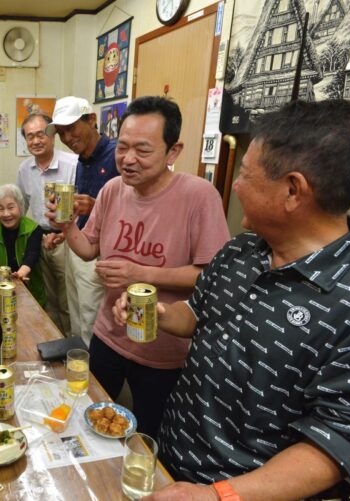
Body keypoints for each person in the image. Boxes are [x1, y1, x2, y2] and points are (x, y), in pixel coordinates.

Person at [114, 99, 350, 501]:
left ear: (292, 190)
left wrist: (219, 495)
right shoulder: (241, 250)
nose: (234, 185)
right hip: (172, 463)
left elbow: (339, 442)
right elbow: (196, 315)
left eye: (245, 174)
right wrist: (159, 315)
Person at [48, 96, 229, 438]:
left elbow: (211, 277)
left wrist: (139, 273)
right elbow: (88, 250)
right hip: (108, 335)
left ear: (173, 152)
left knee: (148, 435)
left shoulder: (200, 197)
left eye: (142, 150)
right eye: (123, 147)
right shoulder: (113, 190)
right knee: (91, 417)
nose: (128, 160)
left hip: (164, 348)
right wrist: (67, 226)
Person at [47, 96, 119, 345]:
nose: (66, 138)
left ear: (91, 120)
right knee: (76, 312)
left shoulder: (116, 155)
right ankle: (79, 366)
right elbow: (83, 213)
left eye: (71, 128)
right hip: (77, 246)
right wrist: (64, 231)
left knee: (91, 318)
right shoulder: (82, 161)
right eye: (61, 133)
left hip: (99, 254)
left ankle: (93, 377)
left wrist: (97, 205)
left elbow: (137, 210)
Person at [16, 112, 77, 334]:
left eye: (40, 134)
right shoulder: (24, 169)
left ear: (52, 136)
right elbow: (20, 207)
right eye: (30, 137)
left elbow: (83, 209)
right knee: (48, 298)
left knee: (68, 300)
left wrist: (62, 234)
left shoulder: (72, 164)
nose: (35, 141)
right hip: (41, 239)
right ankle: (54, 343)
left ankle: (72, 346)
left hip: (69, 240)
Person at [0, 184, 45, 306]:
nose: (6, 214)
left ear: (20, 207)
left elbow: (32, 255)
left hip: (29, 290)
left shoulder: (33, 228)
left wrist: (20, 274)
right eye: (1, 209)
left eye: (11, 207)